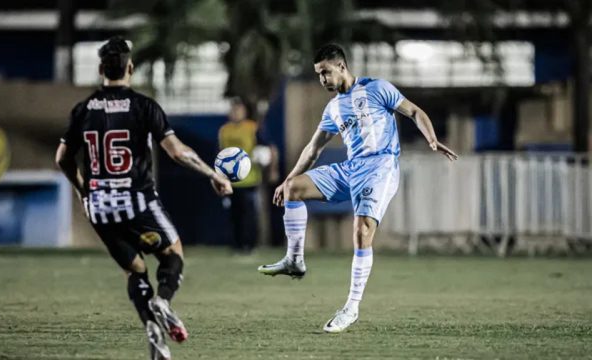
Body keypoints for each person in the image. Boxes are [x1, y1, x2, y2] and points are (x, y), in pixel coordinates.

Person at [257, 44, 458, 333]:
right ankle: (294, 260)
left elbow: (413, 111)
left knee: (362, 230)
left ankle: (351, 307)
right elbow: (313, 148)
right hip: (352, 168)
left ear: (341, 66)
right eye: (318, 74)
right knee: (293, 188)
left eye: (325, 72)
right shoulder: (333, 107)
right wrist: (288, 177)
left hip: (381, 166)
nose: (322, 79)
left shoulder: (377, 88)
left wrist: (432, 139)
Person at [55, 36, 232, 360]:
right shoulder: (143, 106)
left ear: (100, 69)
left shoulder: (83, 110)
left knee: (135, 271)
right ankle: (162, 301)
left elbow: (63, 159)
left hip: (99, 206)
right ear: (130, 67)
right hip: (136, 200)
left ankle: (153, 332)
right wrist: (213, 174)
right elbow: (177, 152)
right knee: (172, 254)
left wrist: (83, 190)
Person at [218, 97, 277, 254]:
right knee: (234, 214)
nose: (235, 112)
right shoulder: (224, 130)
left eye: (238, 109)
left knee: (249, 215)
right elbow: (221, 153)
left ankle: (249, 245)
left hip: (249, 179)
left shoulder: (253, 128)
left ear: (244, 111)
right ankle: (236, 245)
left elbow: (268, 148)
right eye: (233, 110)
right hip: (230, 181)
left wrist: (271, 168)